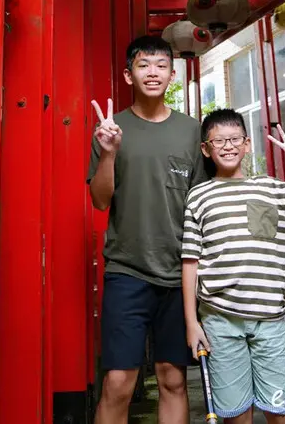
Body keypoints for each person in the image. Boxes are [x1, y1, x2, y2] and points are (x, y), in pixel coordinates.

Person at [182, 109, 285, 423]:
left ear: (247, 143)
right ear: (206, 149)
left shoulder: (273, 189)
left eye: (234, 139)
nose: (227, 146)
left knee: (281, 411)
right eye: (218, 140)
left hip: (270, 320)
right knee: (236, 415)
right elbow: (190, 260)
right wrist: (192, 322)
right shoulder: (198, 196)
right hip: (219, 320)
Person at [87, 35, 207, 424]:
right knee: (118, 381)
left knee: (173, 378)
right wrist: (108, 153)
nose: (152, 72)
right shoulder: (111, 128)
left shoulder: (192, 131)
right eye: (143, 65)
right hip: (127, 270)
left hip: (179, 274)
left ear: (172, 74)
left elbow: (205, 202)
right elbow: (101, 201)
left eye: (160, 65)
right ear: (128, 74)